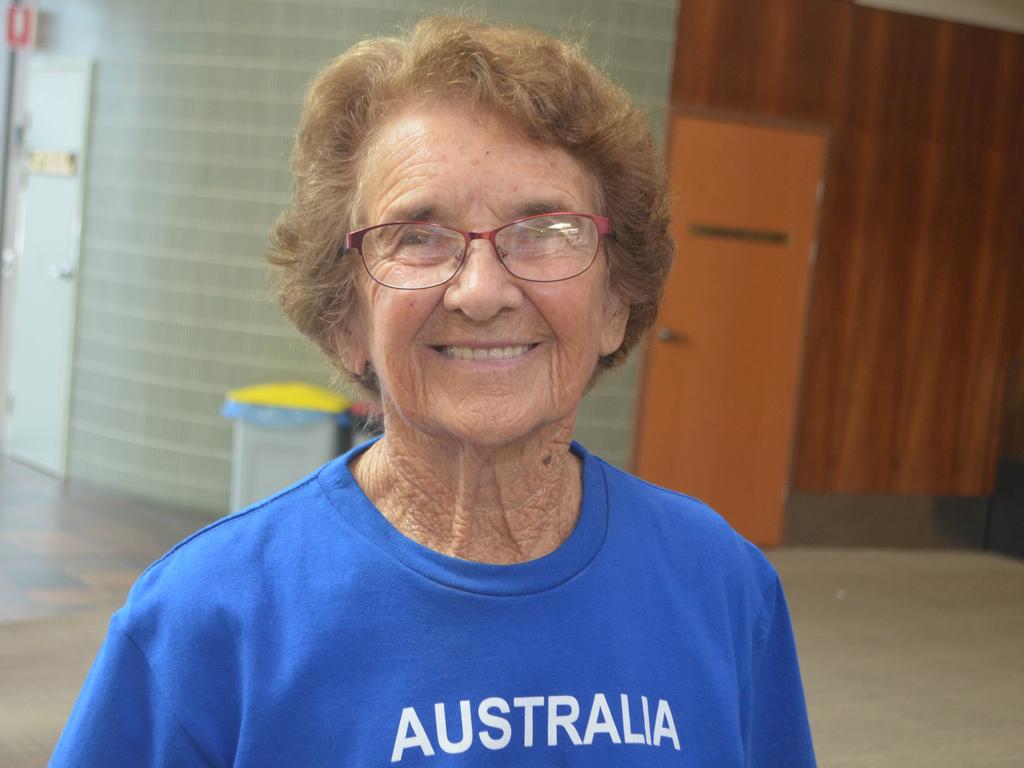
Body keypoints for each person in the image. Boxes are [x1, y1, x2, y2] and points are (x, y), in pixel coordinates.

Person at [51, 16, 816, 767]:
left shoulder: (723, 584)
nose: (482, 292)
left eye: (545, 230)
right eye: (417, 235)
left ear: (617, 302)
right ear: (347, 314)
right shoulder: (205, 623)